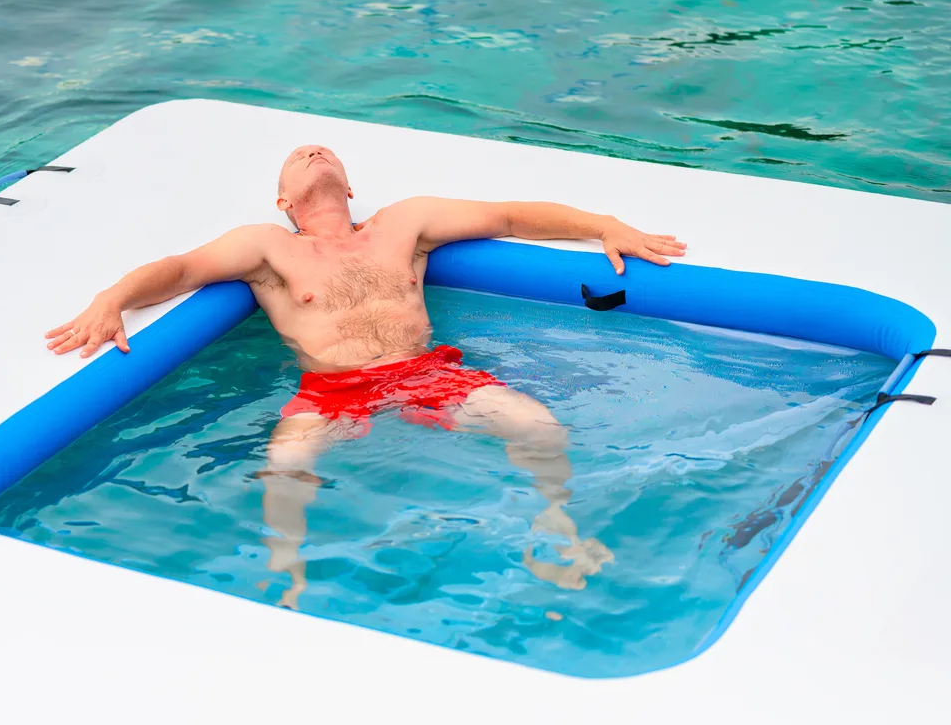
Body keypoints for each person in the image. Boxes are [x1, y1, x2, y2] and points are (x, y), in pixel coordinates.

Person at [46, 145, 686, 608]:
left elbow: (510, 217)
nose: (313, 151)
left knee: (539, 426)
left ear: (349, 189)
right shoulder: (270, 245)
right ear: (285, 202)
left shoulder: (402, 223)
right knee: (285, 462)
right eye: (298, 157)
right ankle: (287, 571)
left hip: (425, 373)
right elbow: (183, 269)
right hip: (331, 389)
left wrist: (604, 226)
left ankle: (557, 522)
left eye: (323, 152)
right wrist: (112, 298)